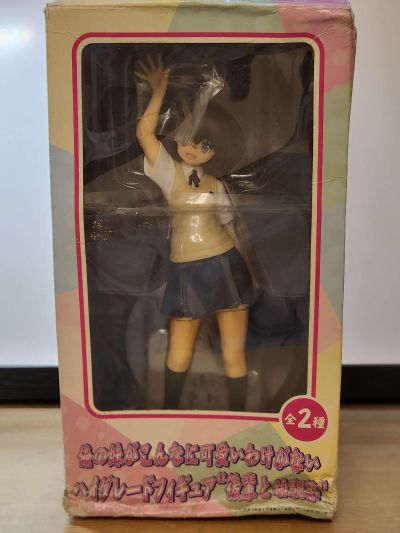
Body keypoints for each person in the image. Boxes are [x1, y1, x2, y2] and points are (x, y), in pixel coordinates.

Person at [135, 55, 256, 411]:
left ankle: (239, 417)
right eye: (189, 138)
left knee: (233, 353)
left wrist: (249, 270)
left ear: (217, 150)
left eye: (205, 145)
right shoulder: (169, 173)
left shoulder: (217, 184)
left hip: (225, 264)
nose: (192, 148)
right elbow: (144, 134)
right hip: (185, 270)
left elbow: (232, 226)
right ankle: (168, 413)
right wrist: (159, 91)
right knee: (178, 352)